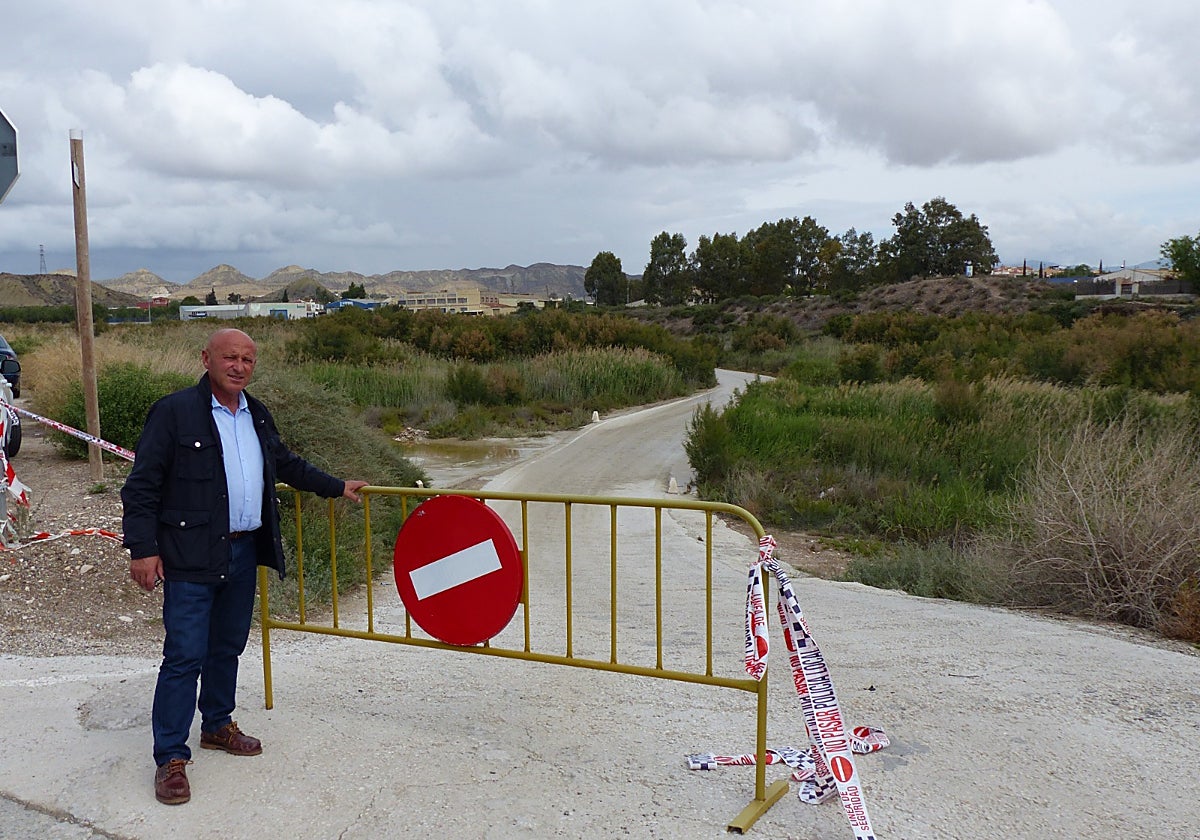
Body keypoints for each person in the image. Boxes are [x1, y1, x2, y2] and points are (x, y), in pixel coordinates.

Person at [121, 328, 369, 806]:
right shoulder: (174, 412)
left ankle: (216, 724)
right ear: (206, 359)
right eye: (229, 357)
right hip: (189, 554)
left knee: (227, 647)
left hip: (240, 551)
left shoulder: (255, 413)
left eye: (247, 359)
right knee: (184, 657)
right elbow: (142, 486)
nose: (238, 366)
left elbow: (285, 464)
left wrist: (336, 486)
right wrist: (142, 549)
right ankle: (171, 757)